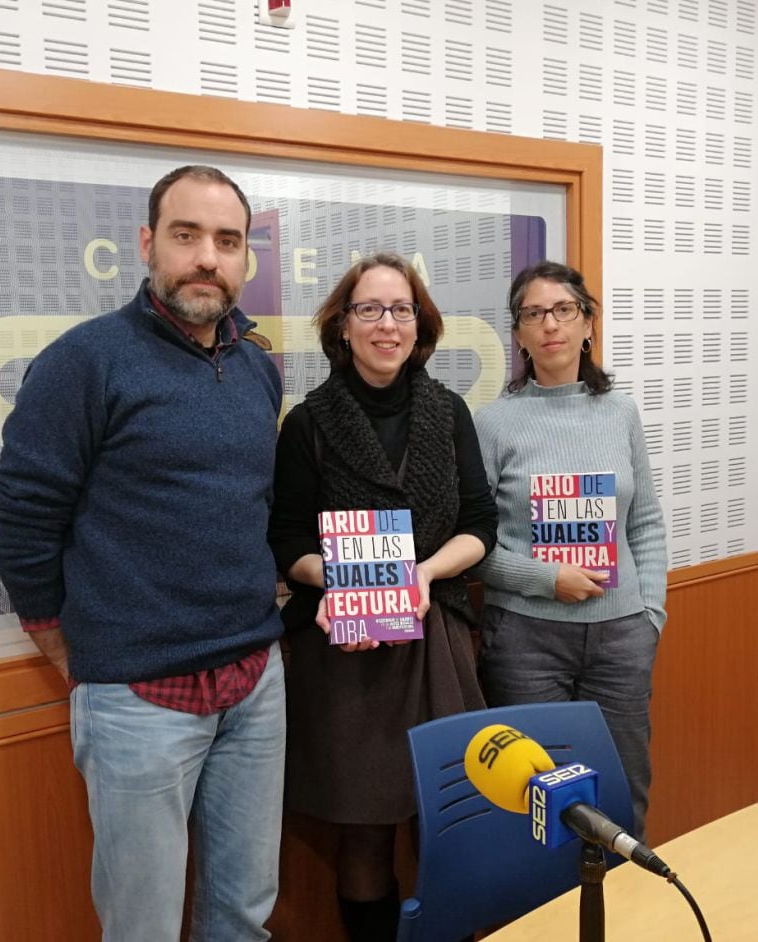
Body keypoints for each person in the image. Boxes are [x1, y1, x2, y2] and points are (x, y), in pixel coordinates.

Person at [0, 165, 285, 942]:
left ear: (247, 256)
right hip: (137, 699)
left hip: (256, 683)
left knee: (244, 914)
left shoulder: (258, 368)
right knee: (142, 928)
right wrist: (63, 645)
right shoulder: (85, 362)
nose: (207, 259)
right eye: (187, 236)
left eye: (228, 241)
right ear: (149, 244)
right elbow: (19, 520)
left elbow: (248, 504)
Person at [268, 252, 498, 942]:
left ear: (419, 325)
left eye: (401, 310)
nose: (386, 324)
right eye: (369, 309)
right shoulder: (307, 424)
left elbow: (480, 524)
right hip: (347, 654)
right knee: (364, 837)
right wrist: (343, 580)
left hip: (437, 642)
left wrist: (424, 574)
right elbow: (284, 541)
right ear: (342, 327)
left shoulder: (448, 410)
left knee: (455, 823)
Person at [472, 259, 667, 839]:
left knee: (625, 787)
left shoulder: (621, 411)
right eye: (534, 314)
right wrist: (543, 578)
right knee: (535, 804)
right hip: (525, 642)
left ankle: (626, 914)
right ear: (519, 334)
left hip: (622, 636)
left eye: (564, 310)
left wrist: (651, 615)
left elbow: (648, 523)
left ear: (587, 324)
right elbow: (475, 544)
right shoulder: (494, 423)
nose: (550, 324)